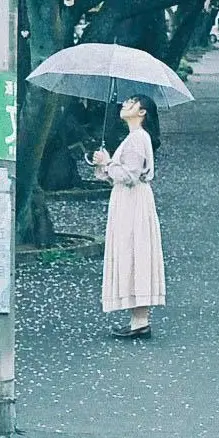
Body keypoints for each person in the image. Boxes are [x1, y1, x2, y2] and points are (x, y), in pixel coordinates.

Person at [91, 94, 166, 338]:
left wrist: (108, 162)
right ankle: (138, 319)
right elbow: (117, 174)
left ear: (142, 112)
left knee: (134, 250)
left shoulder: (136, 139)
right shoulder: (134, 138)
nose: (125, 105)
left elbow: (130, 175)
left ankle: (140, 320)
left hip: (132, 199)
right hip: (128, 198)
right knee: (134, 251)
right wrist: (104, 164)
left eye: (131, 102)